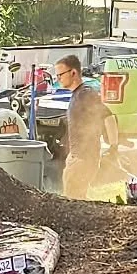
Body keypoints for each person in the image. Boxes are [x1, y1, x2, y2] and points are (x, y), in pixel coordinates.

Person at [54, 55, 118, 199]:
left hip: (84, 158)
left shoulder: (85, 93)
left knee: (73, 200)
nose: (58, 78)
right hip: (77, 157)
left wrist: (113, 146)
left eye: (60, 75)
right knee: (76, 198)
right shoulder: (77, 94)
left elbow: (108, 116)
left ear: (73, 73)